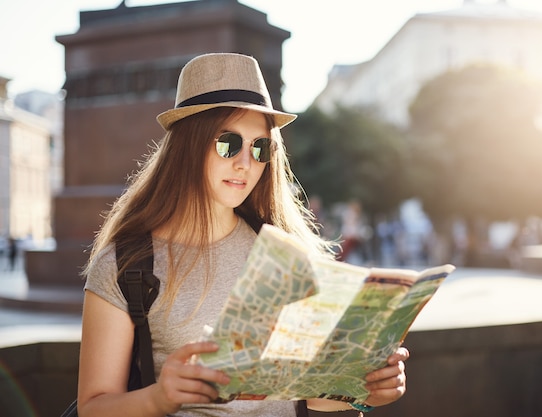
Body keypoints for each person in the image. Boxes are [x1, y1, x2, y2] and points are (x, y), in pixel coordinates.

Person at [77, 53, 409, 417]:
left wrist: (365, 389)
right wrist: (159, 397)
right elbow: (94, 406)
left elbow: (306, 393)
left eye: (260, 147)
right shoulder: (126, 264)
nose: (245, 163)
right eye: (228, 143)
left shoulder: (285, 253)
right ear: (188, 145)